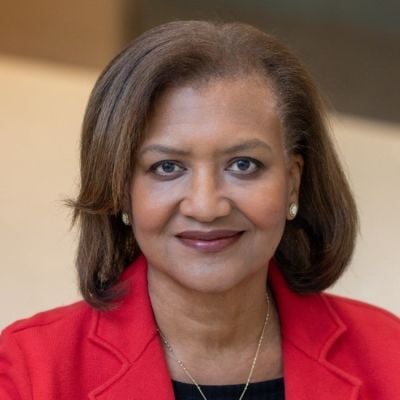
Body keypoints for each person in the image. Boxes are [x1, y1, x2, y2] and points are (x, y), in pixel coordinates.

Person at [0, 20, 399, 400]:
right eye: (167, 167)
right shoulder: (29, 370)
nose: (206, 206)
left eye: (243, 164)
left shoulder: (389, 354)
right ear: (120, 189)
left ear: (293, 180)